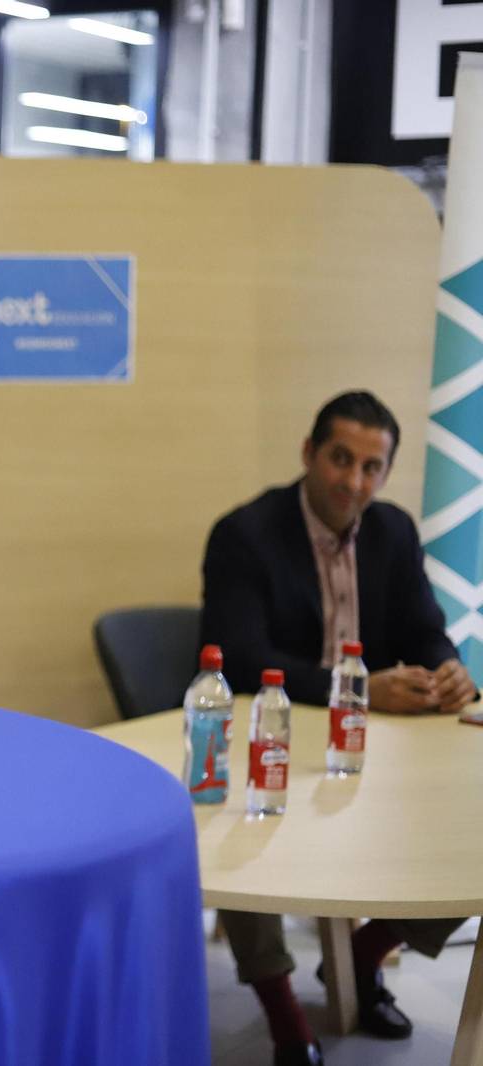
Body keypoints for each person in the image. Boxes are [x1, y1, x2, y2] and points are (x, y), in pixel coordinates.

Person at [200, 390, 475, 1066]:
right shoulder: (244, 534)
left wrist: (447, 669)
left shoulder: (395, 532)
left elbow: (423, 630)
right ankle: (283, 1011)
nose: (354, 481)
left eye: (371, 467)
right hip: (273, 732)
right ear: (309, 453)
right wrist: (357, 688)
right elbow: (238, 655)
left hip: (376, 747)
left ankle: (362, 953)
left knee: (470, 822)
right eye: (340, 459)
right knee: (239, 829)